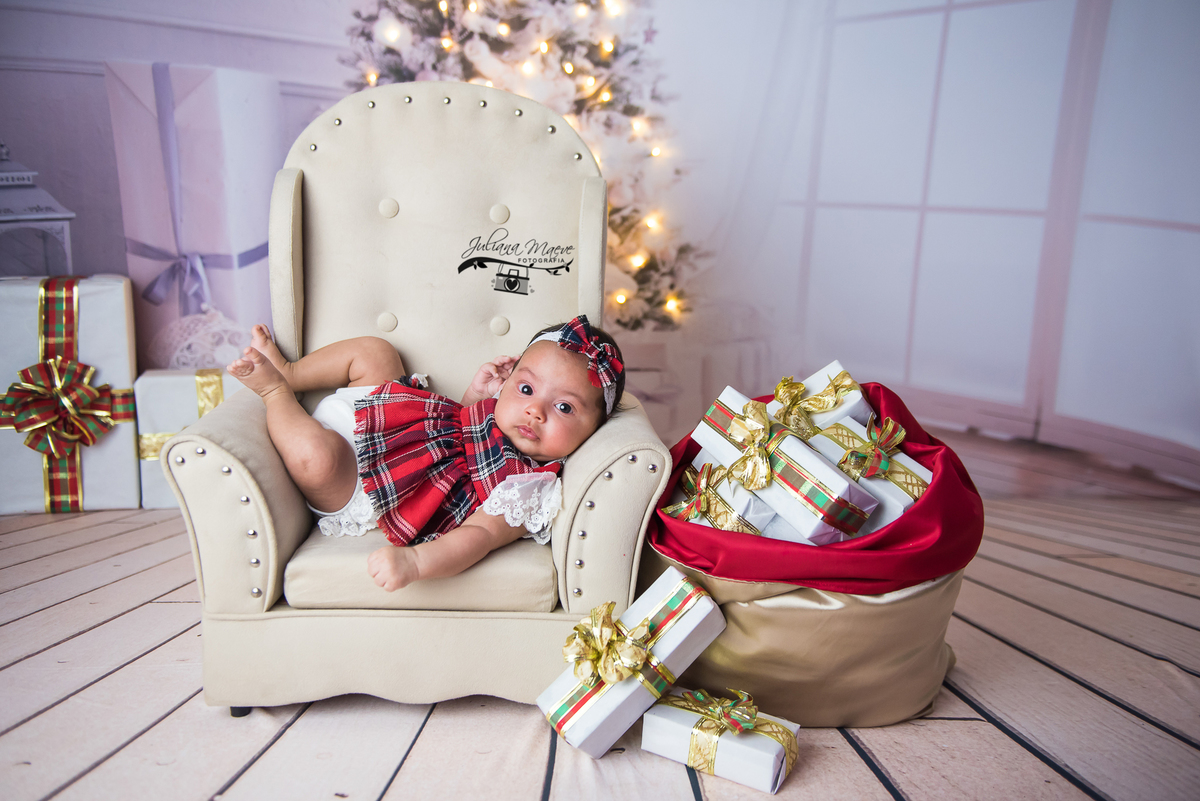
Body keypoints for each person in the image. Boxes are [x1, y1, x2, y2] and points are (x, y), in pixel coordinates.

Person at [226, 315, 624, 592]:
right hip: (384, 413)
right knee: (375, 352)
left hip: (364, 482)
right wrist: (474, 395)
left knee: (316, 459)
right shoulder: (500, 411)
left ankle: (275, 393)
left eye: (564, 407)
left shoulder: (528, 486)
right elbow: (455, 432)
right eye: (525, 389)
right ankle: (291, 373)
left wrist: (416, 563)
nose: (535, 410)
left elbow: (480, 535)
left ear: (593, 431)